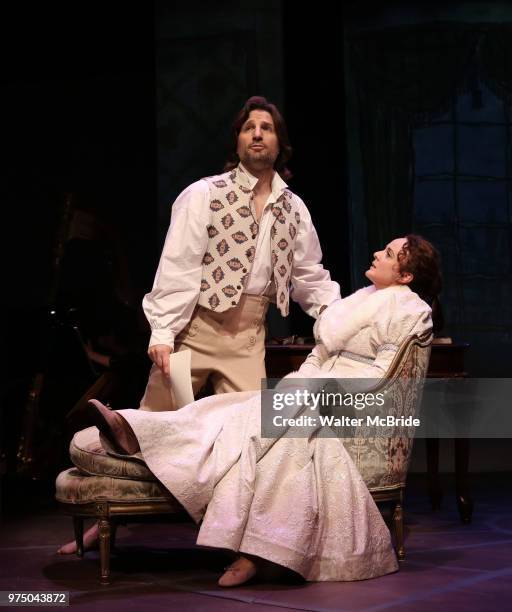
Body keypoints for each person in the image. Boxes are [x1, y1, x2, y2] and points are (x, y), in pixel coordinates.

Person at [66, 234, 442, 585]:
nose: (377, 253)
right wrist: (302, 383)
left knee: (261, 425)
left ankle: (255, 549)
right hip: (313, 392)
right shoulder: (358, 302)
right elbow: (318, 356)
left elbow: (383, 381)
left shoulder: (410, 311)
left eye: (389, 254)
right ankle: (135, 428)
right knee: (223, 411)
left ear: (406, 275)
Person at [140, 95, 340, 411]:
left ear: (280, 144)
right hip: (193, 332)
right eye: (249, 128)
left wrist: (340, 319)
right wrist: (163, 332)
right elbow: (178, 265)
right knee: (158, 424)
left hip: (246, 340)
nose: (257, 134)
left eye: (266, 128)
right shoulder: (204, 194)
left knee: (245, 438)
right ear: (237, 143)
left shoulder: (294, 209)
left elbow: (309, 276)